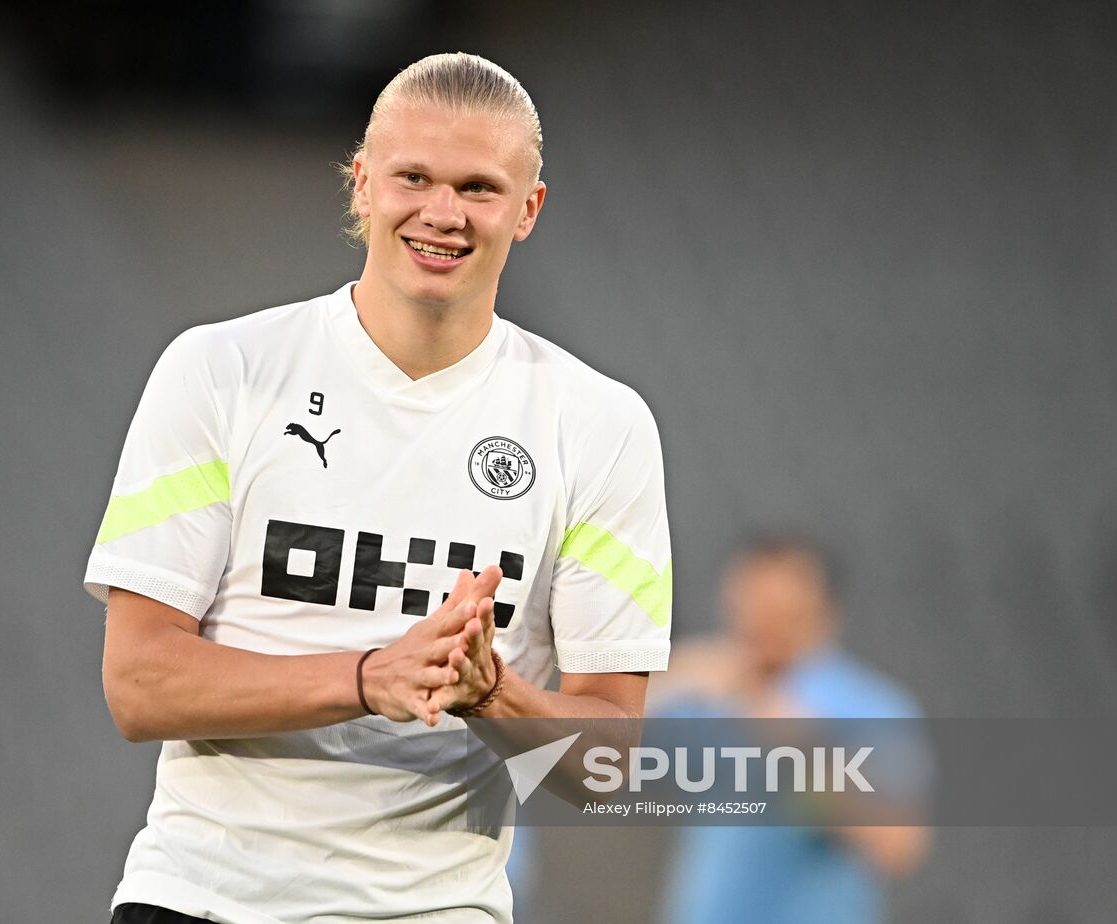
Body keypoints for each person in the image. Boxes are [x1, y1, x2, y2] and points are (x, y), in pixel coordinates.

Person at [83, 52, 673, 924]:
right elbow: (139, 685)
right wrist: (367, 677)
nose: (442, 213)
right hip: (203, 900)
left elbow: (613, 763)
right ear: (361, 185)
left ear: (529, 209)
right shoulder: (221, 371)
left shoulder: (599, 424)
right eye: (413, 178)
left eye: (478, 187)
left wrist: (492, 696)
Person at [647, 535, 929, 924]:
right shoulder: (711, 691)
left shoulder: (867, 707)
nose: (756, 625)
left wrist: (797, 743)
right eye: (746, 608)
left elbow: (897, 847)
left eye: (777, 611)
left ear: (822, 612)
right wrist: (666, 677)